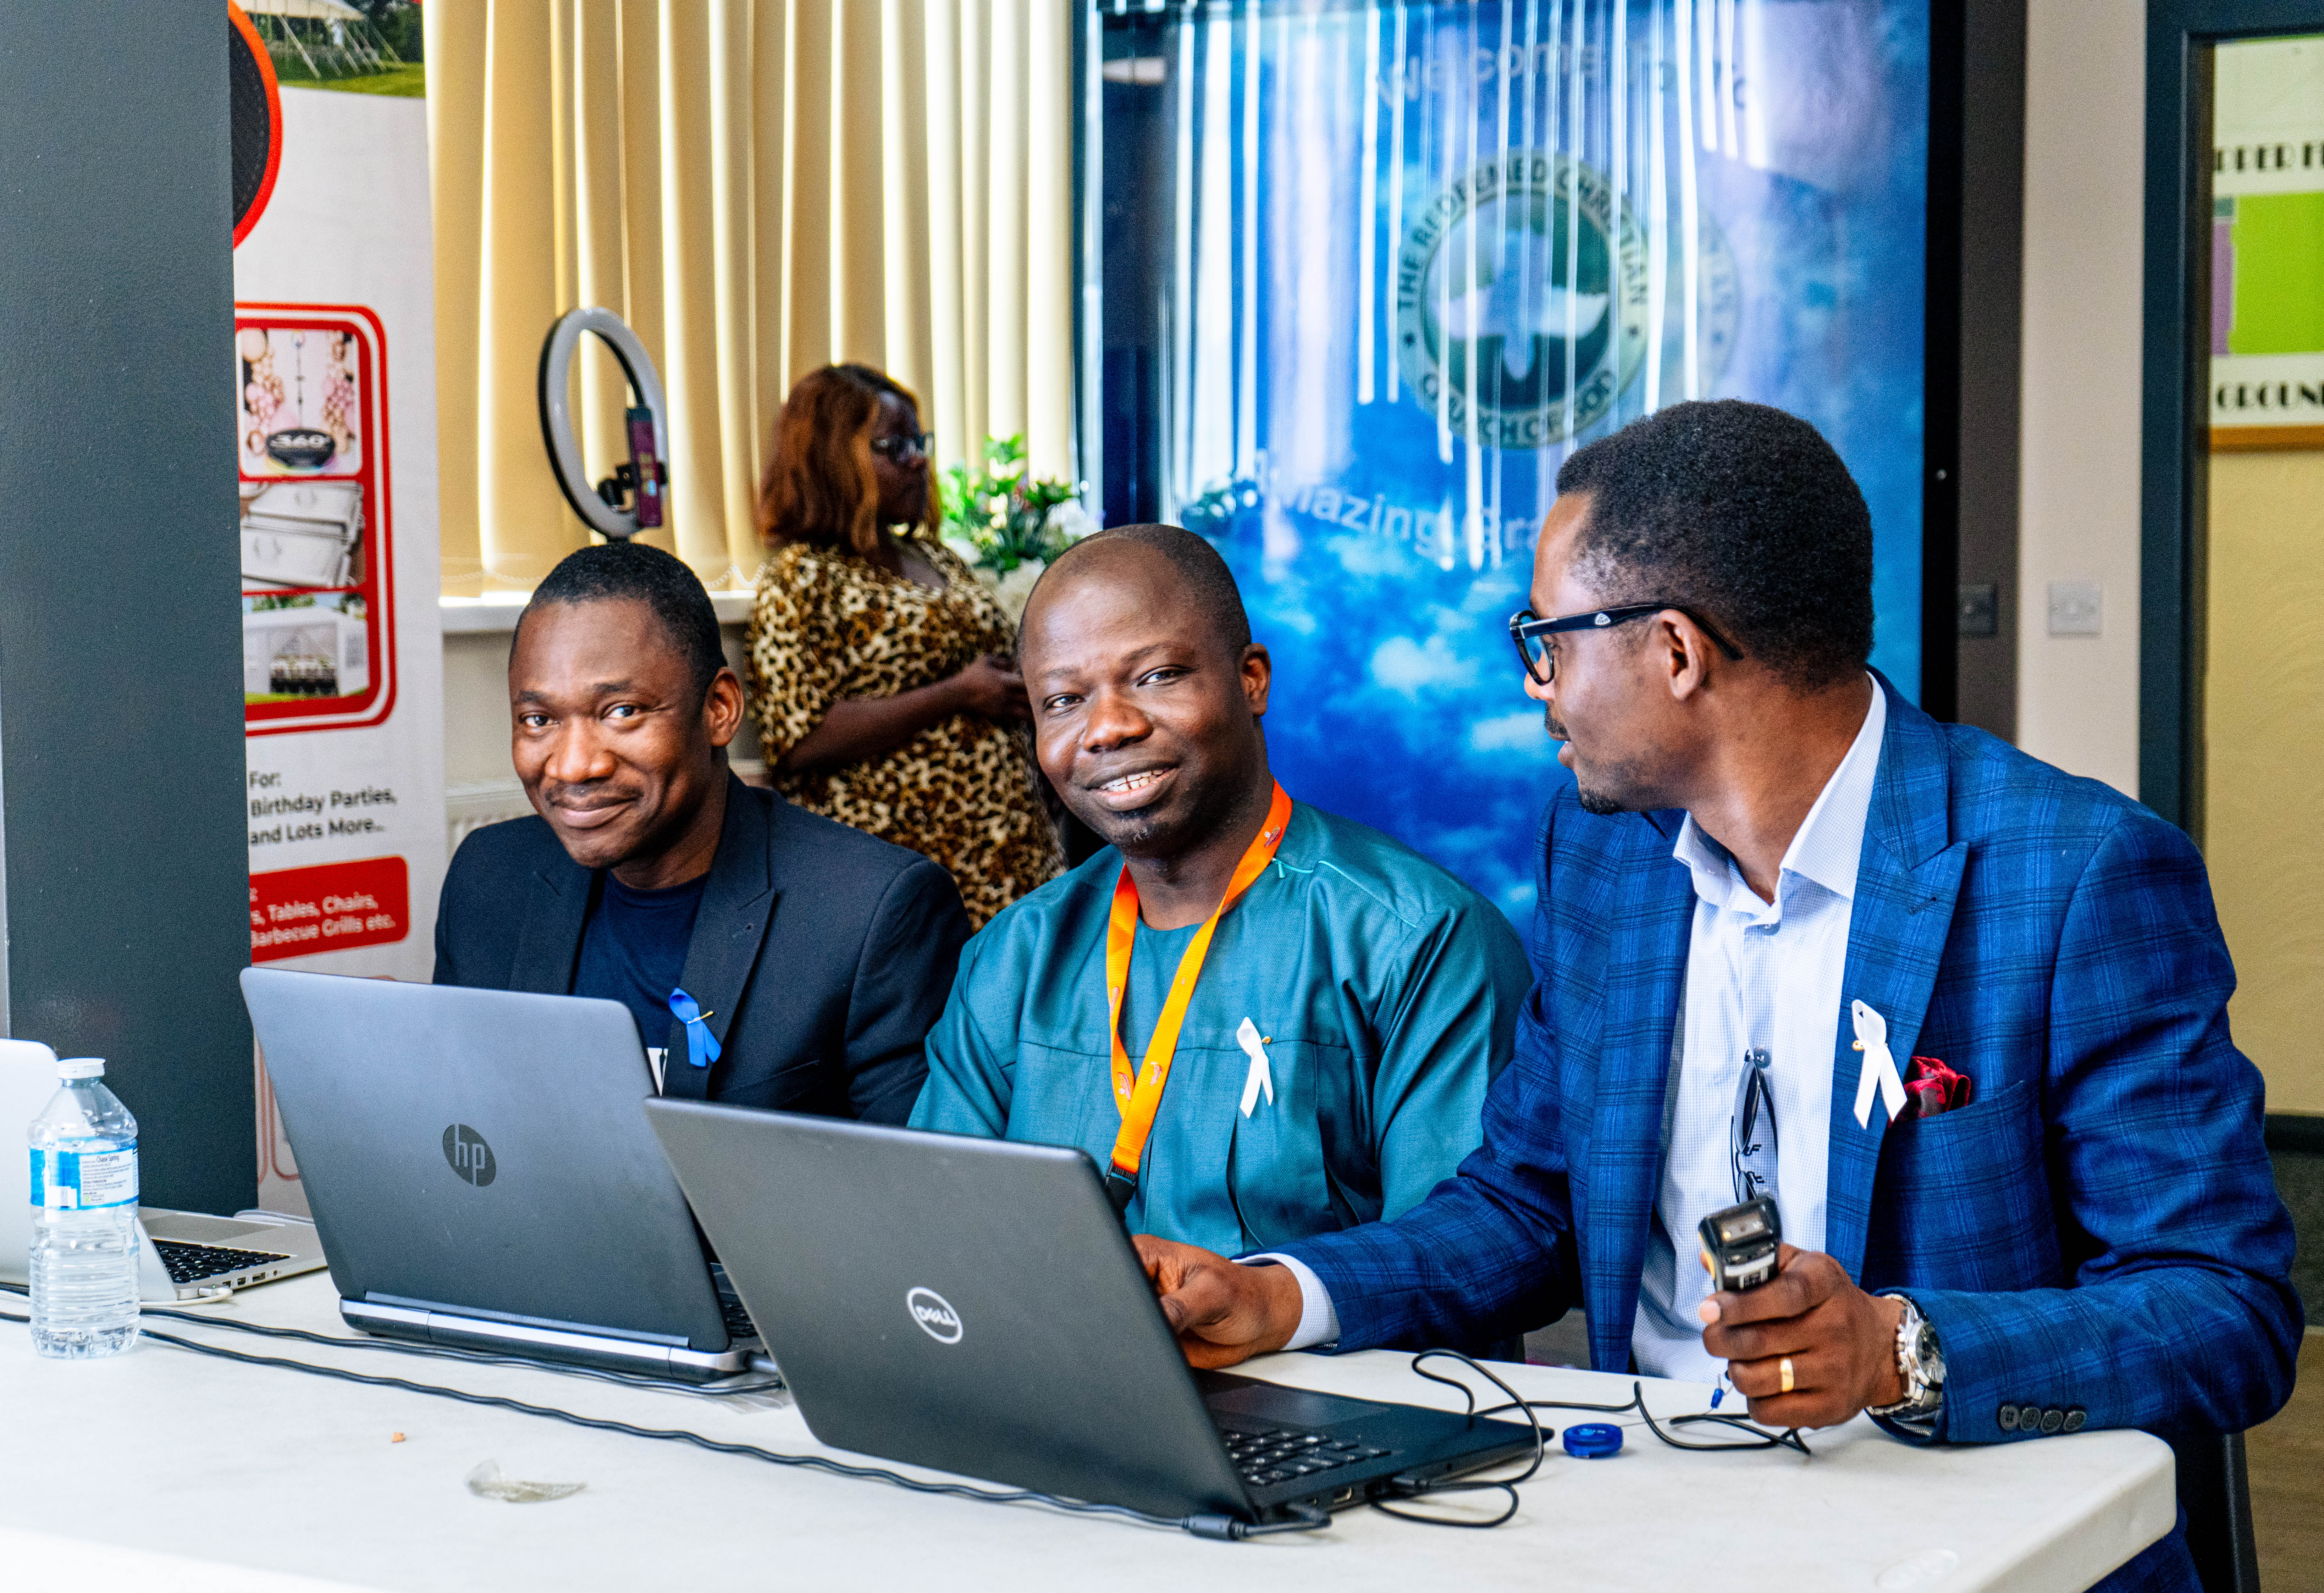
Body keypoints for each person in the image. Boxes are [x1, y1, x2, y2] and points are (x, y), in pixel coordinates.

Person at [1128, 403, 2300, 1591]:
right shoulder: (1606, 857)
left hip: (1969, 1543)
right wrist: (1281, 1296)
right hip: (1642, 1532)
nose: (1537, 687)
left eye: (1547, 641)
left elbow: (2225, 1306)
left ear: (1675, 652)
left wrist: (1898, 1349)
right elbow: (1528, 1200)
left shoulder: (2075, 874)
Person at [910, 524, 1532, 1257]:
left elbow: (1463, 1259)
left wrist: (1267, 1299)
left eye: (1156, 676)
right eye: (1063, 700)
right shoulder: (1013, 959)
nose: (1107, 728)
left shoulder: (1418, 941)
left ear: (1252, 679)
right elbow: (938, 1242)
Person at [435, 540, 971, 1121]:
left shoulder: (872, 914)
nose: (573, 765)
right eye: (539, 720)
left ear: (719, 708)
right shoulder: (489, 878)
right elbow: (461, 1128)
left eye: (622, 712)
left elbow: (905, 1174)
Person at [749, 363, 1062, 927]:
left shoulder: (936, 557)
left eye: (919, 443)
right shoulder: (802, 578)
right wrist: (957, 694)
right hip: (910, 869)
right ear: (833, 459)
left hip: (1010, 852)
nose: (918, 461)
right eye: (895, 448)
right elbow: (799, 741)